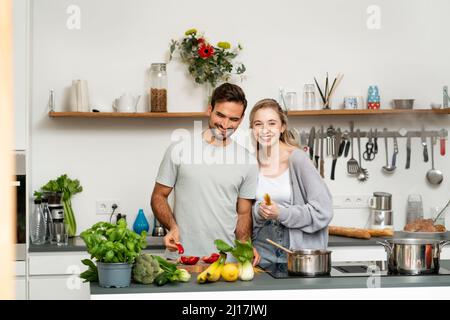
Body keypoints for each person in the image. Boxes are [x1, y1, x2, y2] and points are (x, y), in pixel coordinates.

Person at [151, 83, 260, 265]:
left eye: (233, 119)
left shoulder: (248, 161)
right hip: (181, 256)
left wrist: (244, 247)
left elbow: (243, 214)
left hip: (226, 261)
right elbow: (158, 196)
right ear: (209, 109)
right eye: (220, 115)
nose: (225, 125)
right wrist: (171, 227)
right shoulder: (179, 149)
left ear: (240, 121)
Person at [249, 99, 333, 265]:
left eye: (271, 123)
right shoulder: (250, 162)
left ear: (282, 127)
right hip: (262, 249)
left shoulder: (298, 159)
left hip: (297, 251)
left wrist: (281, 213)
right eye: (258, 124)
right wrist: (258, 212)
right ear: (252, 129)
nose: (265, 130)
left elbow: (323, 211)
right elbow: (244, 213)